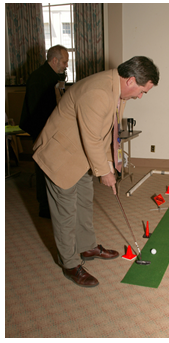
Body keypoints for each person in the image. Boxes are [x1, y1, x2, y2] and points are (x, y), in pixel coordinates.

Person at [33, 56, 159, 288]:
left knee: (84, 202)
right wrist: (104, 172)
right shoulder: (99, 92)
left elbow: (105, 132)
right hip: (61, 156)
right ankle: (70, 264)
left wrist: (110, 164)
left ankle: (86, 247)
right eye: (142, 91)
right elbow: (91, 137)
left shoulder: (116, 90)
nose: (140, 96)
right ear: (131, 80)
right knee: (66, 212)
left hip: (81, 155)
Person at [20, 45, 69, 218]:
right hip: (41, 130)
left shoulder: (51, 76)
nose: (66, 65)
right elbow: (36, 110)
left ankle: (51, 203)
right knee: (43, 168)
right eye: (64, 62)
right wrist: (43, 136)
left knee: (51, 167)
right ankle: (44, 207)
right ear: (54, 60)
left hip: (49, 129)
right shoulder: (38, 77)